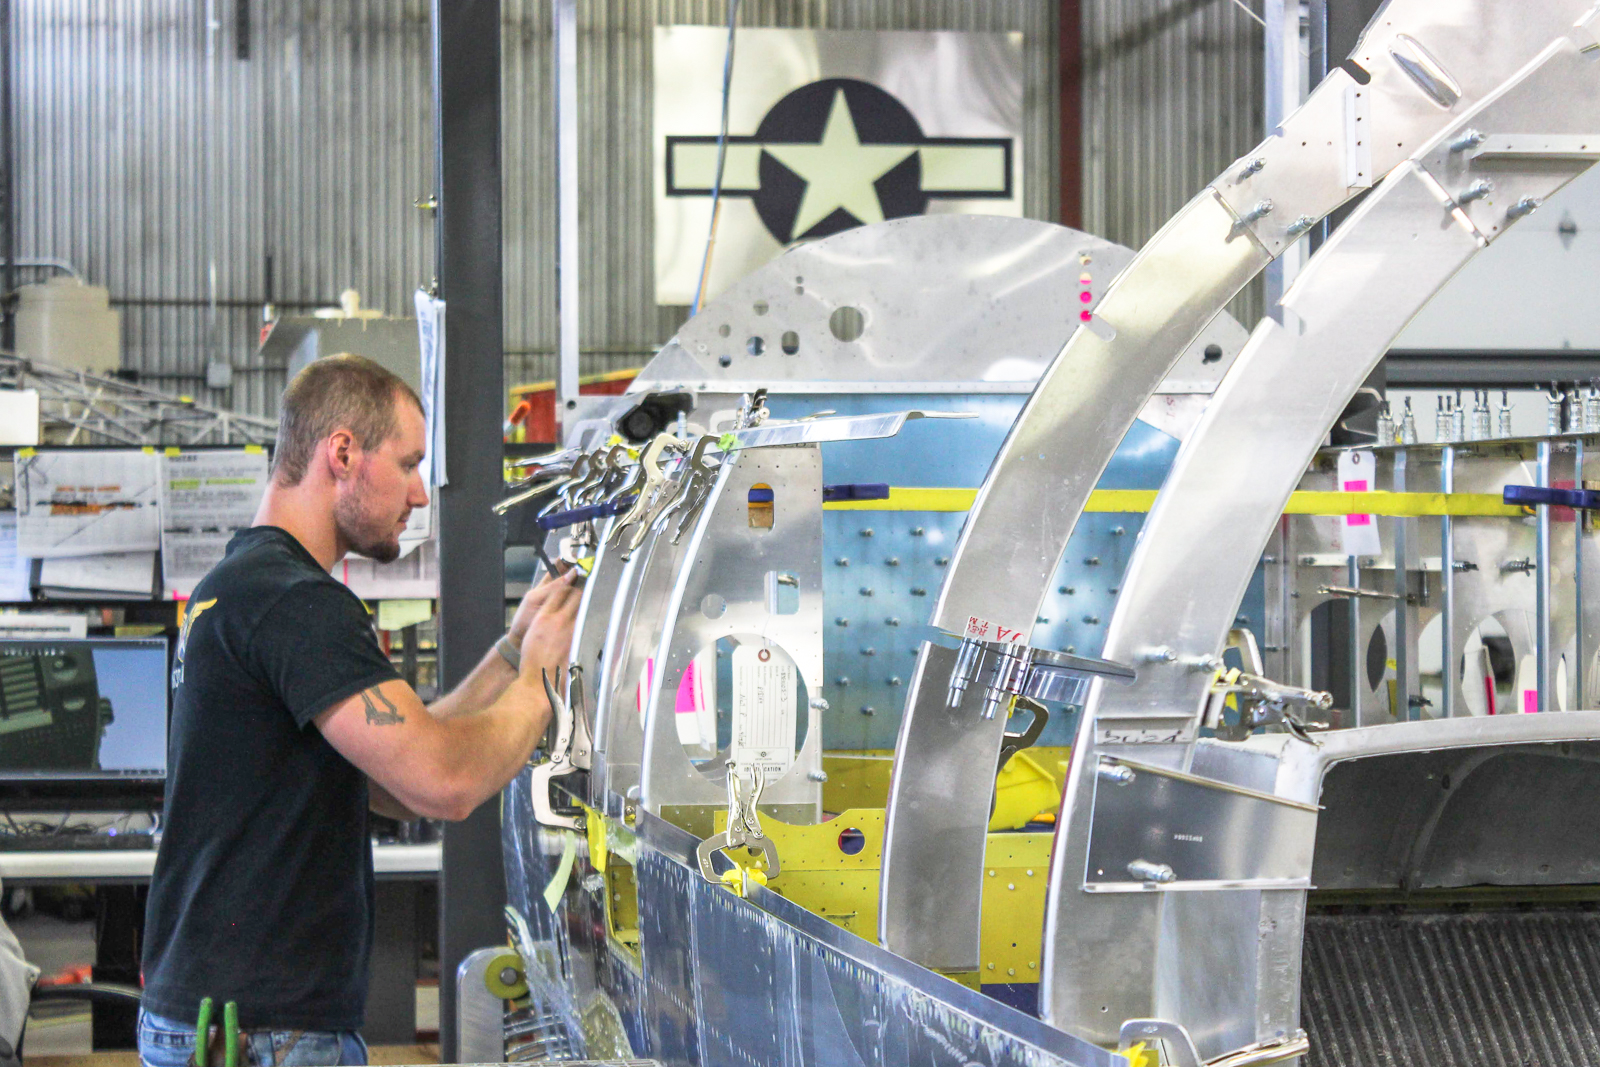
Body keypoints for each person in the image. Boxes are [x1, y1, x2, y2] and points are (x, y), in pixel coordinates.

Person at [138, 355, 580, 1067]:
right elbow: (445, 782)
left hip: (235, 1015)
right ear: (343, 452)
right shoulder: (296, 602)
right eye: (406, 464)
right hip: (262, 1028)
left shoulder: (241, 584)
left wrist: (510, 650)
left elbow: (396, 768)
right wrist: (541, 678)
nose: (416, 493)